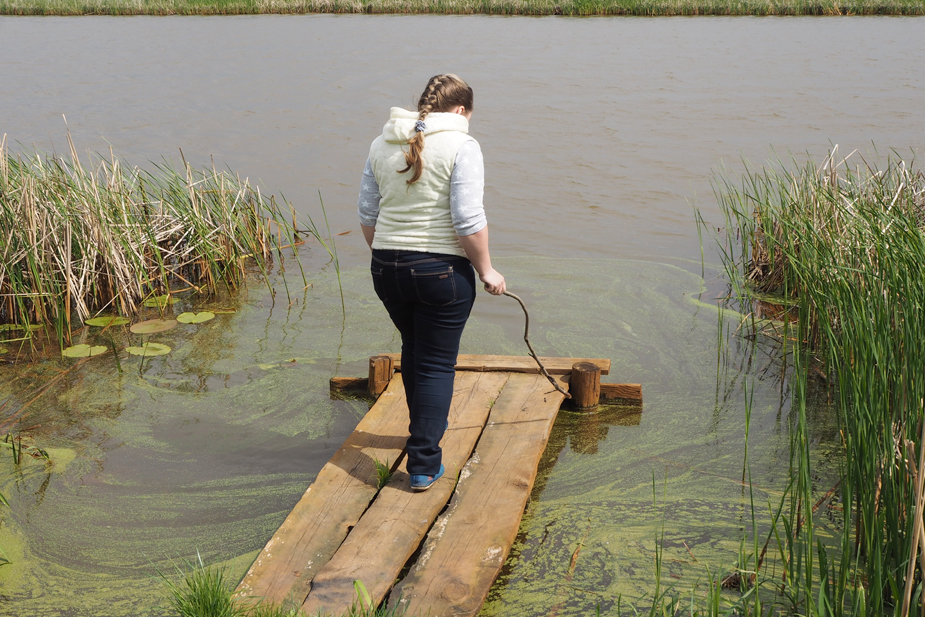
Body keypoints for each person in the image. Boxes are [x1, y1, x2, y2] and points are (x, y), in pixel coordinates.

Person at [357, 74, 505, 492]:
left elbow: (367, 213)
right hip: (441, 273)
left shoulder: (381, 142)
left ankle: (421, 437)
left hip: (385, 267)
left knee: (414, 350)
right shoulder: (462, 145)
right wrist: (486, 270)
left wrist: (388, 256)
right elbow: (467, 219)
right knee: (436, 363)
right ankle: (423, 463)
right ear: (460, 110)